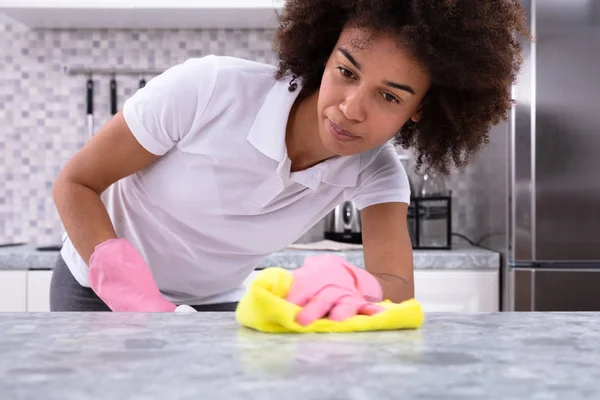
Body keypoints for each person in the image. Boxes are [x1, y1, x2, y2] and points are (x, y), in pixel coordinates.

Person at [49, 0, 529, 323]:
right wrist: (120, 277)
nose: (350, 108)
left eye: (388, 96)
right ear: (324, 55)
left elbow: (399, 286)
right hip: (92, 286)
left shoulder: (375, 170)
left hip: (217, 306)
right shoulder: (208, 89)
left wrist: (353, 283)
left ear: (418, 110)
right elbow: (76, 182)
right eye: (345, 72)